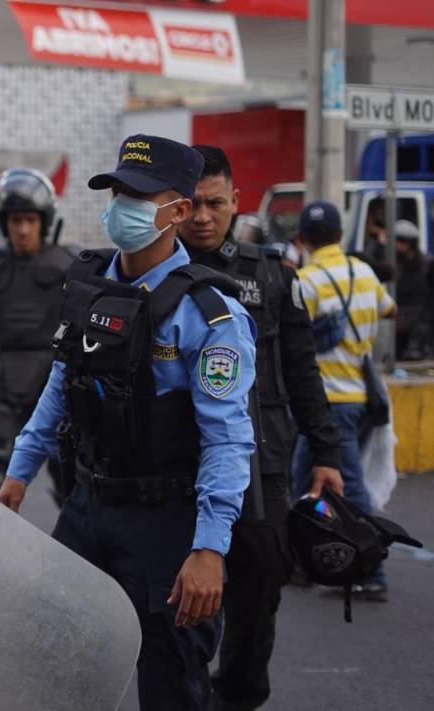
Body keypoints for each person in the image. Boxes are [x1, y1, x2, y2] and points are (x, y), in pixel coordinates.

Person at [0, 135, 257, 711]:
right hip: (87, 507)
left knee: (170, 680)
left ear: (179, 211)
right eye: (118, 191)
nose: (123, 206)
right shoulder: (91, 287)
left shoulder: (212, 316)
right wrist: (19, 472)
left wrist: (210, 548)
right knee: (51, 661)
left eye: (140, 195)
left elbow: (228, 438)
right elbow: (61, 387)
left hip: (166, 521)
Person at [177, 145, 343, 711]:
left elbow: (302, 370)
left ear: (236, 202)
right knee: (179, 600)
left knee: (258, 591)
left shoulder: (272, 275)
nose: (203, 216)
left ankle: (238, 697)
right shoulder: (151, 271)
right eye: (193, 204)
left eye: (215, 204)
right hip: (176, 464)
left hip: (261, 464)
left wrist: (327, 452)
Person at [292, 200, 396, 601]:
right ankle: (297, 561)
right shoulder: (365, 272)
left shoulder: (306, 280)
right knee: (302, 480)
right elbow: (390, 309)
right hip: (359, 398)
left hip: (326, 403)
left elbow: (294, 338)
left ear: (302, 239)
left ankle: (372, 572)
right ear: (339, 236)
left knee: (348, 486)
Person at [0, 168, 72, 498]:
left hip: (56, 380)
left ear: (44, 220)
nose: (23, 229)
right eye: (15, 221)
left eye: (30, 219)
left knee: (72, 479)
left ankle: (76, 551)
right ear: (4, 223)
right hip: (6, 381)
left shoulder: (70, 267)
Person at [392, 220, 429, 358]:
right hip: (395, 324)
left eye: (401, 241)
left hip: (418, 325)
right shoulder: (392, 265)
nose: (396, 245)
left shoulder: (425, 265)